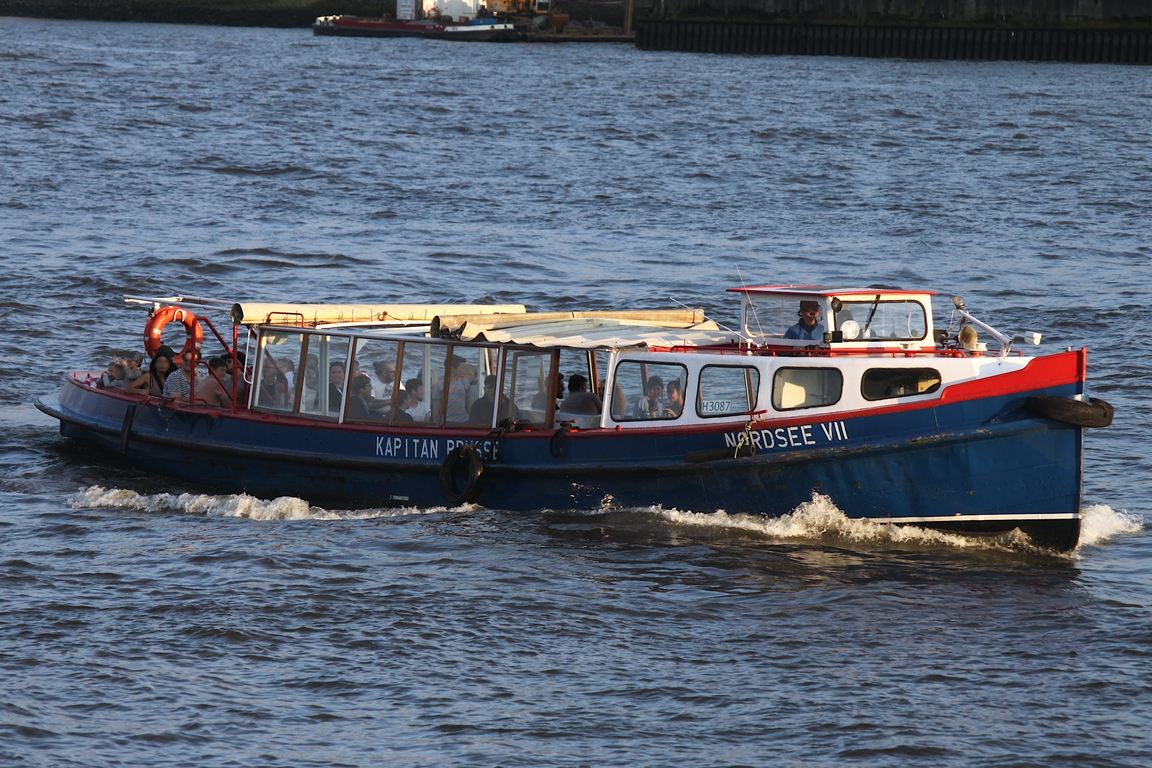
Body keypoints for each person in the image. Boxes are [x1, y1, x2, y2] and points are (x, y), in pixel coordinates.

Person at [445, 357, 475, 423]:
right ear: (453, 369)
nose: (464, 370)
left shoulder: (465, 382)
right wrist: (436, 422)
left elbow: (468, 402)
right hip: (446, 421)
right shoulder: (441, 384)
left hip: (463, 421)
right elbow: (437, 404)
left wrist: (471, 420)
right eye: (462, 368)